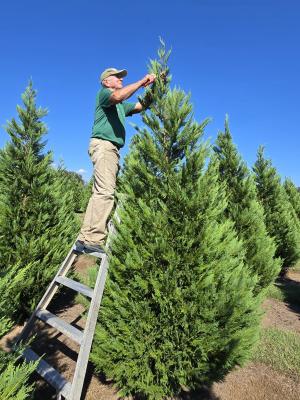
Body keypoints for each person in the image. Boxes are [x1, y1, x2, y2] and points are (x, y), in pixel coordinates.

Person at [76, 68, 156, 253]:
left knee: (99, 193)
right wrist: (141, 80)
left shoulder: (120, 106)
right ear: (106, 82)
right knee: (105, 192)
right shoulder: (104, 95)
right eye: (117, 77)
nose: (121, 79)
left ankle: (84, 237)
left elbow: (140, 106)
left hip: (109, 149)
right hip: (105, 146)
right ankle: (94, 240)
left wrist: (153, 88)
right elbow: (119, 96)